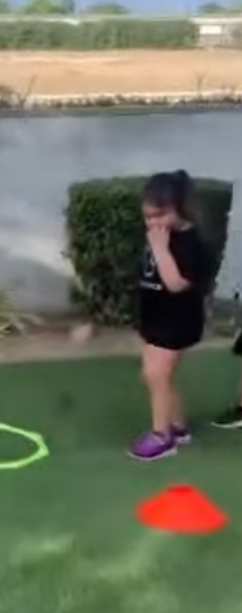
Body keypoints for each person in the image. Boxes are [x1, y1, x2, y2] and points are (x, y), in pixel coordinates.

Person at [130, 170, 211, 462]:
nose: (153, 223)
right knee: (153, 375)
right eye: (148, 217)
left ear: (179, 208)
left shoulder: (192, 243)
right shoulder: (159, 235)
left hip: (177, 321)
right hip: (155, 317)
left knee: (157, 374)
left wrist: (160, 249)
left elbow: (176, 284)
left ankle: (162, 436)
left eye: (160, 215)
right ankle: (178, 426)